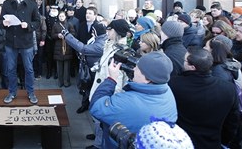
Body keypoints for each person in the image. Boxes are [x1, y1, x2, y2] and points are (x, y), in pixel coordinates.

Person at [90, 51, 177, 149]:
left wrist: (111, 79)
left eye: (138, 68)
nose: (134, 69)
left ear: (147, 79)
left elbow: (95, 107)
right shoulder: (167, 91)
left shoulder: (127, 102)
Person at [169, 47, 239, 148]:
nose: (182, 62)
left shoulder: (174, 84)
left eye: (184, 60)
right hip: (211, 143)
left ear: (192, 67)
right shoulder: (228, 89)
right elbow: (232, 121)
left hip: (180, 142)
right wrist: (224, 141)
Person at [86, 19, 130, 149]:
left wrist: (111, 101)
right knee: (98, 120)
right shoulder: (110, 45)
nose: (107, 32)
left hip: (108, 93)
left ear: (116, 32)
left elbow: (118, 80)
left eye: (110, 30)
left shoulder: (121, 52)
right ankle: (98, 142)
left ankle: (100, 145)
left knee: (103, 120)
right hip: (102, 88)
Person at [1, 0, 40, 104]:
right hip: (10, 42)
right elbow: (1, 22)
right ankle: (12, 92)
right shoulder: (6, 3)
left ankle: (31, 92)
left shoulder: (32, 4)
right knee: (10, 69)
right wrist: (4, 23)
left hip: (26, 42)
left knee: (28, 69)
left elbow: (37, 22)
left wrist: (28, 25)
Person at [64, 21, 107, 114]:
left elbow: (83, 48)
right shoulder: (97, 39)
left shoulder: (101, 44)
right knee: (86, 88)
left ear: (97, 32)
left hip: (94, 72)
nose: (92, 33)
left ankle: (93, 109)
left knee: (92, 90)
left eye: (93, 31)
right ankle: (85, 105)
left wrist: (68, 36)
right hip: (89, 68)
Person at [51, 11, 75, 87]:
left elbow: (73, 34)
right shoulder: (55, 25)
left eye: (62, 16)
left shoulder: (69, 24)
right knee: (59, 67)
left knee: (67, 66)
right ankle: (60, 82)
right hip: (58, 47)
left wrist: (66, 35)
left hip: (67, 46)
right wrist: (58, 35)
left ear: (65, 17)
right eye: (60, 16)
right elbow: (52, 35)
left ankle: (66, 82)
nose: (61, 18)